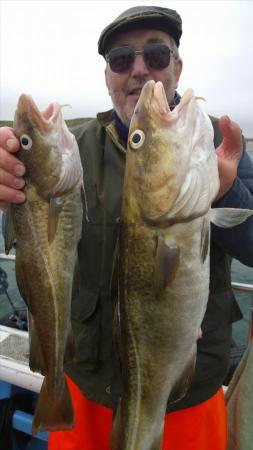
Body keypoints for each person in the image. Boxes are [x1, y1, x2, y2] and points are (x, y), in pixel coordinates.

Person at [0, 5, 253, 450]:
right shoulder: (72, 150)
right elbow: (36, 224)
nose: (139, 70)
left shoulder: (219, 145)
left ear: (178, 66)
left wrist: (225, 193)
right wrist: (10, 180)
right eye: (121, 60)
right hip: (84, 388)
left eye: (156, 55)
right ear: (107, 76)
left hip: (184, 396)